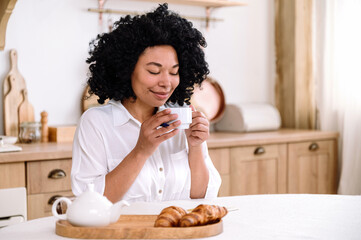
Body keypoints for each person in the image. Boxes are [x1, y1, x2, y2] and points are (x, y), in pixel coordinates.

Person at [71, 3, 221, 203]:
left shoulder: (182, 118)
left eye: (174, 72)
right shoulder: (96, 123)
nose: (166, 82)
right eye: (154, 71)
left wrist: (195, 146)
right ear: (127, 69)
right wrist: (141, 151)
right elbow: (88, 202)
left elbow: (201, 198)